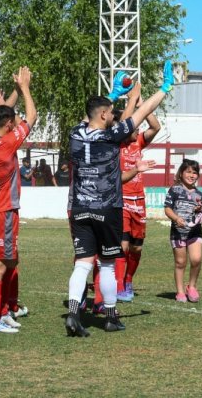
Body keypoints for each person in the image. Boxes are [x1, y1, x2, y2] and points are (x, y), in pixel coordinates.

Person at [65, 61, 174, 337]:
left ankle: (74, 313)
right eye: (111, 112)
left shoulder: (75, 134)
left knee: (82, 263)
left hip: (79, 207)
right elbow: (144, 111)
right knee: (108, 264)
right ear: (103, 115)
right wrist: (163, 88)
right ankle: (111, 317)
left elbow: (92, 115)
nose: (114, 115)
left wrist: (113, 94)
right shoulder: (112, 136)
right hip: (107, 207)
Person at [0, 66, 36, 333]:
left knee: (11, 260)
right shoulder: (6, 145)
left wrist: (2, 106)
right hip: (3, 210)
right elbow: (32, 117)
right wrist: (24, 88)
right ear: (9, 125)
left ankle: (2, 311)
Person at [116, 84, 161, 302]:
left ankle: (128, 280)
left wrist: (143, 104)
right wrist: (130, 102)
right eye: (133, 126)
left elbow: (156, 126)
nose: (137, 128)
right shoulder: (116, 144)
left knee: (136, 247)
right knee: (122, 245)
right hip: (122, 200)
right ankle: (118, 285)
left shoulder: (138, 143)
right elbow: (126, 122)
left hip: (139, 201)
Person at [164, 159, 202, 303]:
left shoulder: (200, 194)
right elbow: (167, 209)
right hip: (178, 233)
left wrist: (199, 210)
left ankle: (192, 286)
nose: (192, 175)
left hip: (195, 232)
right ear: (181, 174)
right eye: (188, 171)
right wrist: (176, 219)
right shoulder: (174, 190)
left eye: (195, 172)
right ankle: (180, 291)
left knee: (196, 259)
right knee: (180, 262)